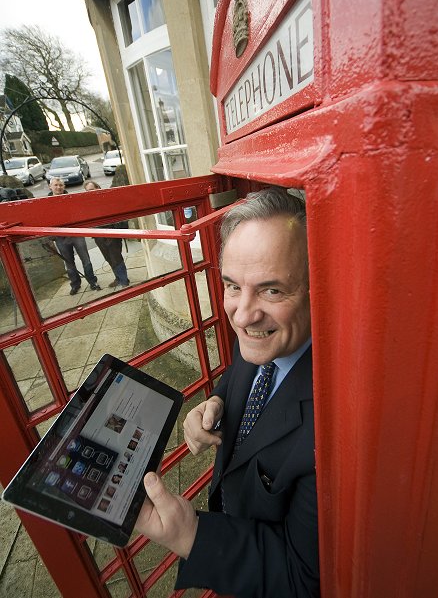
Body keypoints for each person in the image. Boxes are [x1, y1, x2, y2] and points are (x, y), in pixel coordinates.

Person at [136, 187, 319, 597]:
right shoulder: (266, 338)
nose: (243, 314)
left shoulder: (330, 429)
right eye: (233, 286)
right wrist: (218, 401)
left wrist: (190, 536)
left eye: (272, 290)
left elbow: (303, 579)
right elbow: (245, 374)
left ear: (315, 287)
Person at [47, 177, 100, 295]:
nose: (58, 187)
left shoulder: (71, 199)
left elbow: (80, 213)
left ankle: (92, 282)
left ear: (64, 187)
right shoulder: (46, 203)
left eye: (61, 185)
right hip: (60, 237)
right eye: (56, 185)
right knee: (69, 263)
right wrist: (51, 235)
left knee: (86, 260)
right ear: (50, 187)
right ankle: (75, 284)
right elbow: (45, 220)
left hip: (76, 234)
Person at [84, 180, 130, 288]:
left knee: (116, 257)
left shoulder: (107, 199)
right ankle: (118, 278)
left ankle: (124, 281)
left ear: (98, 188)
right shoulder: (88, 204)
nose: (89, 193)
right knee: (108, 258)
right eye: (87, 191)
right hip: (99, 236)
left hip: (111, 233)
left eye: (91, 190)